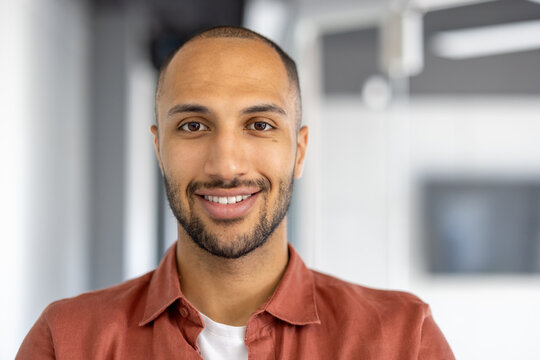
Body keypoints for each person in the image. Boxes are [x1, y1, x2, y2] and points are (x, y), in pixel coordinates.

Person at [17, 26, 454, 359]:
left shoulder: (402, 339)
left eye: (260, 125)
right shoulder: (67, 340)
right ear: (159, 149)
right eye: (193, 126)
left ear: (299, 152)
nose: (226, 165)